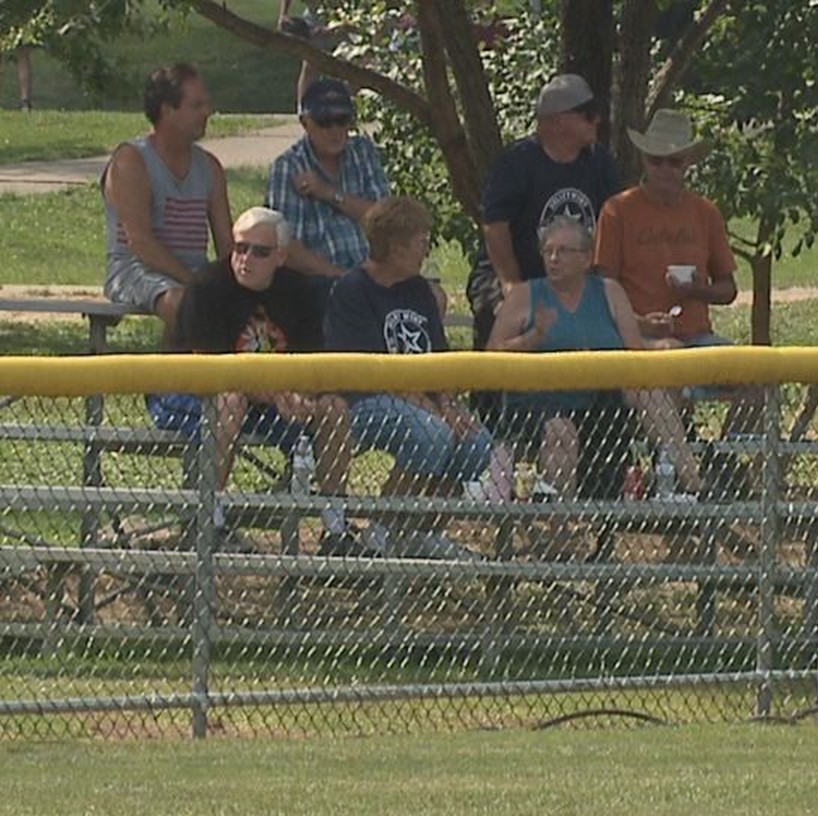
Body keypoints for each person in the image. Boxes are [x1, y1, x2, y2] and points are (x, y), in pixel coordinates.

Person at [152, 207, 373, 558]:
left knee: (333, 407)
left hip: (270, 400)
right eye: (239, 248)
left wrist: (304, 394)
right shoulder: (208, 286)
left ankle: (335, 529)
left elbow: (311, 360)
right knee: (230, 400)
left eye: (260, 251)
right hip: (188, 393)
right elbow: (210, 369)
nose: (245, 258)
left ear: (281, 257)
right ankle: (210, 520)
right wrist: (276, 394)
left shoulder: (297, 291)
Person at [487, 217, 704, 501]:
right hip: (539, 403)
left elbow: (635, 353)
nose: (553, 258)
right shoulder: (526, 295)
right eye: (548, 250)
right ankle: (561, 525)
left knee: (648, 390)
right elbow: (491, 355)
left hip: (598, 403)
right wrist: (534, 337)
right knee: (560, 431)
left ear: (586, 258)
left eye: (564, 251)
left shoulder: (609, 292)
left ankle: (694, 483)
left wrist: (664, 347)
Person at [325, 196, 493, 560]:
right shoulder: (354, 289)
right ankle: (381, 530)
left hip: (424, 401)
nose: (426, 250)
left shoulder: (418, 290)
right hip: (365, 401)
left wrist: (448, 404)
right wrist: (433, 410)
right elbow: (373, 372)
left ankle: (421, 531)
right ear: (397, 247)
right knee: (432, 436)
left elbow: (439, 358)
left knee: (476, 444)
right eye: (421, 242)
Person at [595, 107, 750, 476]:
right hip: (639, 340)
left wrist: (699, 290)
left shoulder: (705, 213)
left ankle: (719, 457)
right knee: (669, 358)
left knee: (759, 379)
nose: (665, 169)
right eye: (657, 160)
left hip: (698, 337)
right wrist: (641, 325)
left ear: (687, 165)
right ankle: (679, 473)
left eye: (674, 162)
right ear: (645, 161)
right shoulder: (618, 211)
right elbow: (602, 290)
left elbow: (728, 289)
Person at [469, 73, 621, 354]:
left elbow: (613, 222)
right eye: (588, 114)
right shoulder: (517, 163)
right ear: (558, 120)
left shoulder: (599, 162)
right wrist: (512, 285)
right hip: (511, 273)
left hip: (574, 281)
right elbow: (495, 227)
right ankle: (493, 397)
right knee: (506, 321)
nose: (597, 120)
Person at [101, 63, 234, 344]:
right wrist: (195, 283)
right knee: (184, 305)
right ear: (167, 110)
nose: (206, 112)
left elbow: (226, 244)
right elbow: (141, 243)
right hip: (136, 270)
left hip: (194, 274)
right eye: (196, 105)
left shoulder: (209, 167)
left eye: (206, 104)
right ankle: (178, 386)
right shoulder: (131, 160)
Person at [265, 78, 393, 288]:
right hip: (320, 283)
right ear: (305, 123)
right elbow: (287, 248)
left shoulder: (362, 151)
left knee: (433, 297)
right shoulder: (288, 167)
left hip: (375, 275)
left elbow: (386, 220)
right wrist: (343, 277)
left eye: (342, 120)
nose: (334, 130)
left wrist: (328, 193)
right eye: (324, 121)